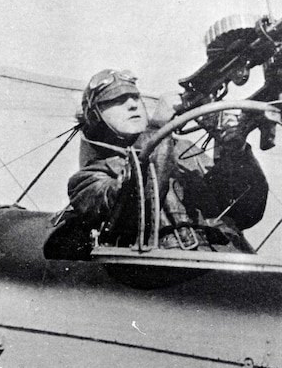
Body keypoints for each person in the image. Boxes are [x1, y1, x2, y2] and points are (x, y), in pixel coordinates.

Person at [44, 69, 268, 259]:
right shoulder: (87, 179)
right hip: (168, 276)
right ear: (94, 116)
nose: (133, 105)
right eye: (117, 101)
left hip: (230, 260)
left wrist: (232, 149)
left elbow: (247, 212)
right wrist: (159, 128)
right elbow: (137, 210)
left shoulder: (184, 151)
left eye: (135, 97)